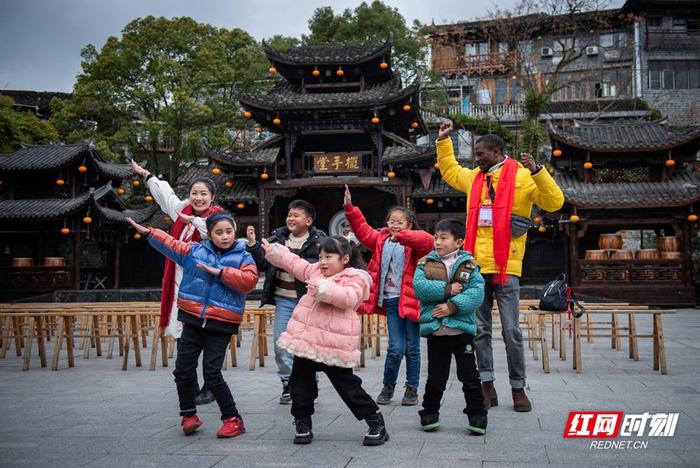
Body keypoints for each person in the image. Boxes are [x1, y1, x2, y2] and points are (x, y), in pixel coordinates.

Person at [436, 121, 564, 412]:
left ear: (496, 151)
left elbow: (554, 202)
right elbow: (450, 170)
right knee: (479, 331)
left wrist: (537, 171)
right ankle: (487, 387)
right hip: (476, 268)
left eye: (480, 154)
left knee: (511, 332)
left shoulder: (523, 176)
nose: (476, 158)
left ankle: (518, 388)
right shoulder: (474, 179)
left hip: (507, 267)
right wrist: (443, 141)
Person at [127, 212, 258, 438]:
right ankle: (188, 415)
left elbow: (249, 282)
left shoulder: (243, 256)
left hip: (221, 324)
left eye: (229, 231)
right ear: (210, 234)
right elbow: (172, 244)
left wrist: (221, 273)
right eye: (219, 232)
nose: (225, 236)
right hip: (192, 320)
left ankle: (233, 419)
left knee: (212, 373)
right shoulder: (195, 251)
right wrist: (150, 232)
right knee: (183, 370)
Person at [261, 235, 389, 446]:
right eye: (320, 256)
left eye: (329, 256)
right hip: (308, 342)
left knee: (348, 387)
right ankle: (302, 422)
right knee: (300, 385)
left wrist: (323, 288)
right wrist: (276, 251)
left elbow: (348, 298)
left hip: (333, 345)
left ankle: (375, 421)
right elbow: (296, 264)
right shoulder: (316, 272)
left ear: (345, 258)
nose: (322, 261)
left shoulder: (356, 277)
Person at [131, 160, 222, 405]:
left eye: (203, 194)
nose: (198, 198)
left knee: (209, 336)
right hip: (182, 281)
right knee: (185, 334)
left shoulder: (218, 219)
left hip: (207, 283)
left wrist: (193, 221)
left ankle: (211, 385)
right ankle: (189, 383)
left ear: (212, 197)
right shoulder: (183, 212)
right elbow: (166, 196)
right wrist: (148, 175)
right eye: (194, 193)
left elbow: (210, 232)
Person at [343, 185, 434, 406]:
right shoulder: (381, 239)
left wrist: (402, 236)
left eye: (399, 222)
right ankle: (388, 384)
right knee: (395, 348)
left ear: (408, 225)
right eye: (391, 221)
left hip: (413, 303)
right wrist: (349, 208)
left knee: (413, 347)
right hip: (392, 300)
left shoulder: (414, 243)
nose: (394, 225)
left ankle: (411, 388)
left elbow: (427, 240)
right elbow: (363, 231)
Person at [245, 200, 326, 404]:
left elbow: (323, 266)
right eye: (289, 214)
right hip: (284, 299)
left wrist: (291, 260)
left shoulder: (319, 241)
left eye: (296, 215)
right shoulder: (277, 238)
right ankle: (288, 382)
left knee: (307, 346)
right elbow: (264, 263)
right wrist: (254, 246)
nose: (291, 218)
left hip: (308, 301)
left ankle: (310, 383)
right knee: (281, 344)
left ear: (308, 221)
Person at [413, 218, 487, 434]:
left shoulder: (469, 266)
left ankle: (477, 415)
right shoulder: (425, 263)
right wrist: (447, 290)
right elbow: (419, 288)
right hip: (436, 331)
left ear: (458, 242)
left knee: (469, 376)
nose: (437, 242)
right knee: (436, 376)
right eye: (436, 237)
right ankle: (429, 412)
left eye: (443, 238)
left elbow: (477, 293)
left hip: (462, 332)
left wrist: (452, 307)